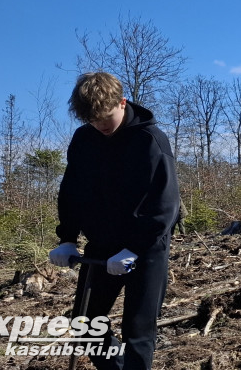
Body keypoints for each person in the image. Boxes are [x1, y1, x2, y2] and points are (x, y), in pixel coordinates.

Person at [48, 72, 180, 370]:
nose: (100, 126)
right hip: (102, 244)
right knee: (86, 324)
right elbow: (72, 191)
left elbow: (164, 204)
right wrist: (67, 238)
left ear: (122, 102)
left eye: (105, 118)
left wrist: (135, 247)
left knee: (138, 331)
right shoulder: (84, 139)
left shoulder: (150, 141)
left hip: (146, 250)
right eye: (93, 121)